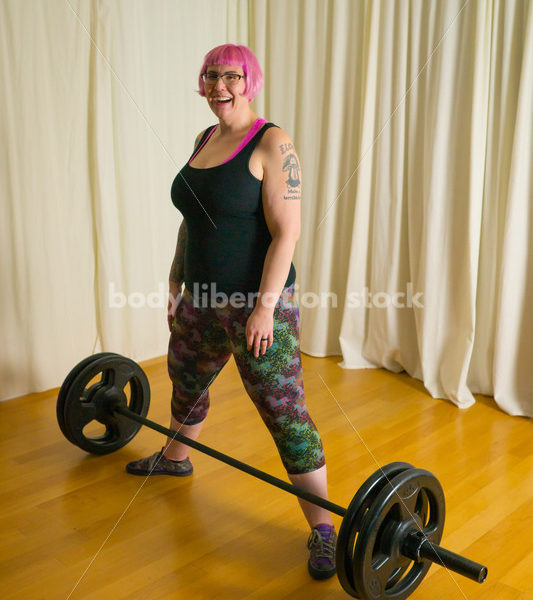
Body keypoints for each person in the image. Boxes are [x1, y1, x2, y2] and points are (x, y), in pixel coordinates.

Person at [126, 43, 337, 580]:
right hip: (199, 298)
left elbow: (287, 232)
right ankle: (176, 458)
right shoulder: (205, 139)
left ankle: (323, 530)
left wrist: (264, 310)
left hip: (255, 306)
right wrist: (177, 279)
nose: (218, 85)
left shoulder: (272, 142)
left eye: (229, 76)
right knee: (186, 378)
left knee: (283, 411)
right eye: (209, 75)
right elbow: (192, 221)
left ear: (250, 81)